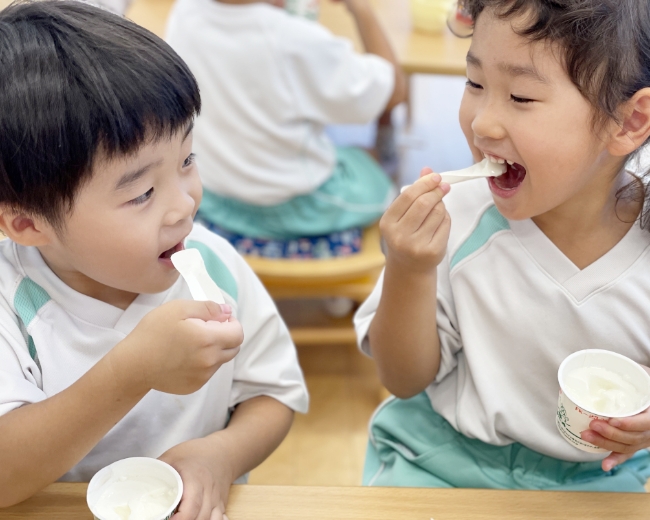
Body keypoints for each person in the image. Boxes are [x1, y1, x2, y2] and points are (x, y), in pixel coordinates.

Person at [0, 1, 308, 516]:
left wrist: (220, 456)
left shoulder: (212, 263)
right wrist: (131, 372)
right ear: (29, 224)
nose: (185, 203)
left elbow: (273, 394)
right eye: (141, 193)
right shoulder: (12, 303)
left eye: (187, 160)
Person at [354, 0, 650, 492]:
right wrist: (408, 268)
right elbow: (402, 380)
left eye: (520, 96)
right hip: (441, 462)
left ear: (629, 122)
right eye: (474, 84)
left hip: (599, 480)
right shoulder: (457, 219)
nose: (481, 123)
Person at [166, 0, 407, 258]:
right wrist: (361, 9)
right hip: (296, 210)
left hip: (213, 197)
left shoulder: (184, 12)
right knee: (376, 171)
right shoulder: (294, 38)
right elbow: (394, 92)